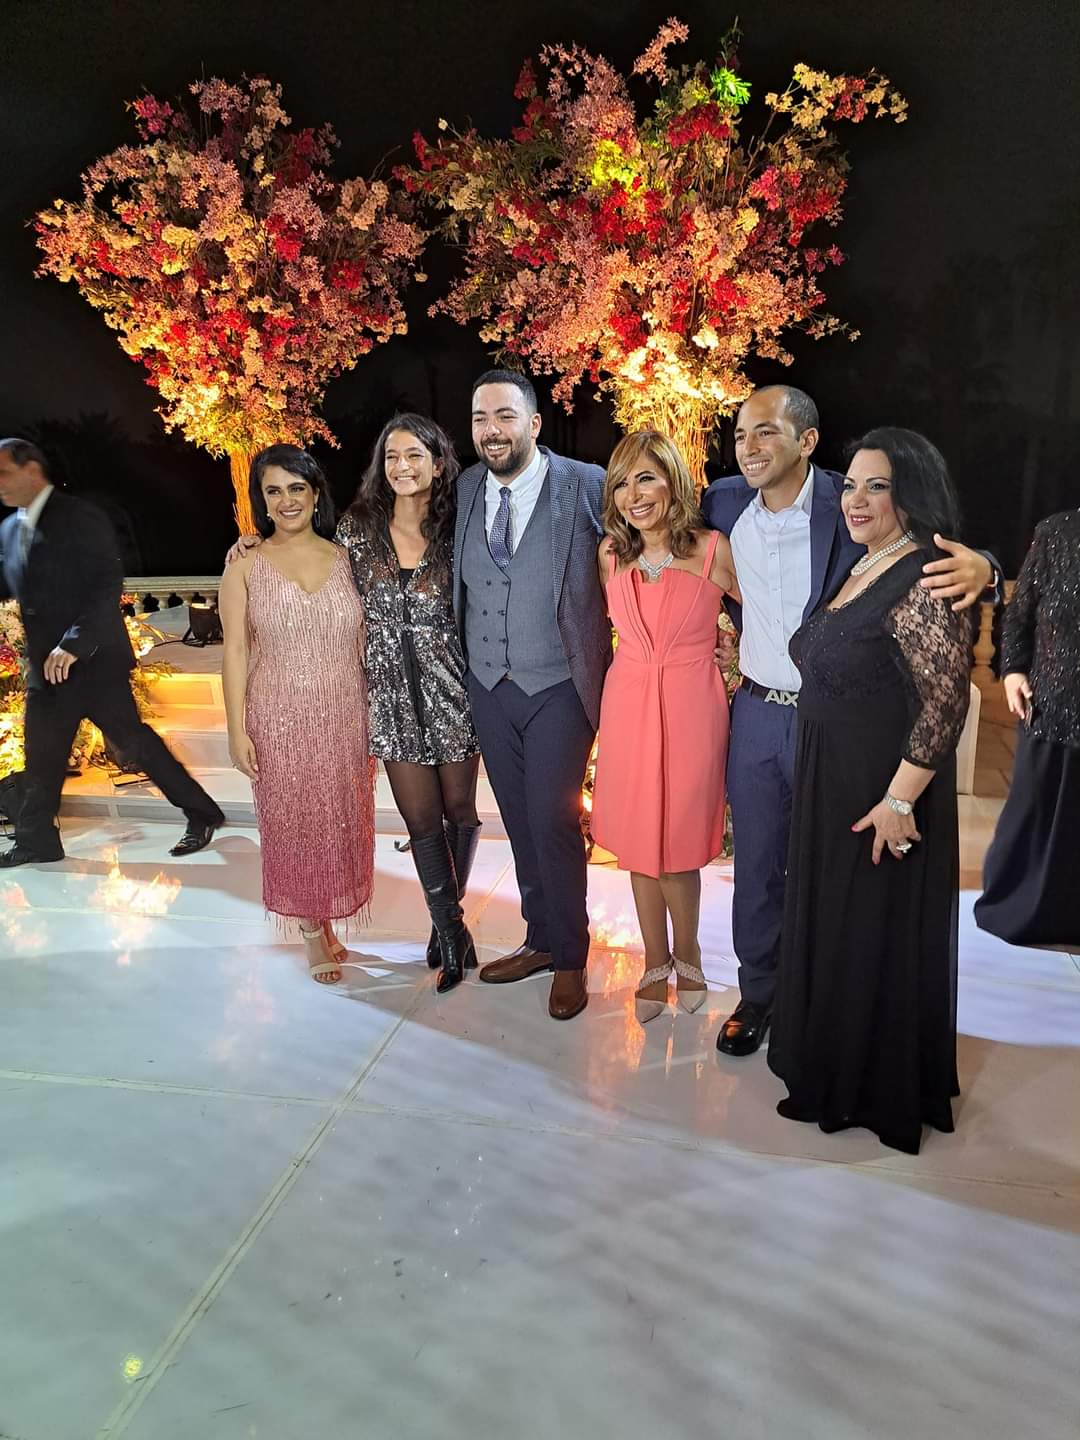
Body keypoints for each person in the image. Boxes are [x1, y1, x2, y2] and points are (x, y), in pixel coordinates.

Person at [701, 386, 996, 1057]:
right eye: (740, 434)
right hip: (755, 710)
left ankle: (821, 998)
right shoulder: (723, 501)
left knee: (830, 865)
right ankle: (758, 993)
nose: (748, 447)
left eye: (766, 432)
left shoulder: (848, 500)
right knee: (757, 864)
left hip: (831, 722)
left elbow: (933, 548)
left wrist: (988, 568)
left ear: (806, 441)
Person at [767, 428, 973, 1154]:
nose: (856, 499)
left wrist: (899, 801)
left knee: (868, 931)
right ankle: (827, 1061)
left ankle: (866, 1087)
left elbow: (948, 702)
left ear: (908, 495)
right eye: (850, 484)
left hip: (880, 792)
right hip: (833, 777)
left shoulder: (922, 575)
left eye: (876, 486)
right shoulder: (861, 562)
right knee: (837, 923)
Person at [455, 369, 612, 1020]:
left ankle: (571, 956)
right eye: (480, 418)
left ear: (534, 424)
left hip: (559, 684)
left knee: (552, 817)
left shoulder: (586, 483)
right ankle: (540, 938)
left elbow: (647, 536)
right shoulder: (465, 487)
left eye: (505, 416)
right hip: (489, 685)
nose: (492, 430)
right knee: (519, 820)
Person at [0, 437, 224, 868]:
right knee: (41, 756)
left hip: (94, 664)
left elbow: (106, 587)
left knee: (135, 745)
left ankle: (202, 813)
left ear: (32, 470)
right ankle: (37, 841)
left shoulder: (79, 516)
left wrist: (73, 643)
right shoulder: (10, 528)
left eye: (4, 473)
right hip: (46, 672)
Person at [591, 432, 738, 1020]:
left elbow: (767, 617)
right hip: (628, 704)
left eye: (646, 478)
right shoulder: (610, 555)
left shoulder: (713, 549)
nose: (634, 494)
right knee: (638, 843)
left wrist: (736, 648)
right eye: (622, 483)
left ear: (673, 481)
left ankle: (689, 951)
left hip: (692, 705)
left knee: (677, 844)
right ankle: (655, 959)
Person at [335, 416, 481, 993]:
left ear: (438, 464)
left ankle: (448, 921)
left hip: (454, 689)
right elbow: (317, 572)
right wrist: (252, 548)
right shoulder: (357, 529)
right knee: (420, 820)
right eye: (392, 456)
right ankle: (450, 932)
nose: (402, 466)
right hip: (390, 695)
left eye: (415, 455)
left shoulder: (459, 527)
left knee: (459, 812)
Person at [219, 445, 374, 984]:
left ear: (315, 494)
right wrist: (236, 729)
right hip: (277, 715)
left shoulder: (348, 560)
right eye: (273, 491)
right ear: (261, 501)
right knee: (293, 822)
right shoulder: (244, 566)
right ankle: (311, 928)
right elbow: (235, 651)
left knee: (337, 819)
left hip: (346, 714)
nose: (286, 500)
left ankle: (327, 916)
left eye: (296, 488)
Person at [974, 509, 1080, 948]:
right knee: (1033, 817)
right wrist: (1014, 670)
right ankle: (1023, 911)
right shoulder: (1057, 533)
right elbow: (1019, 615)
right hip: (1050, 706)